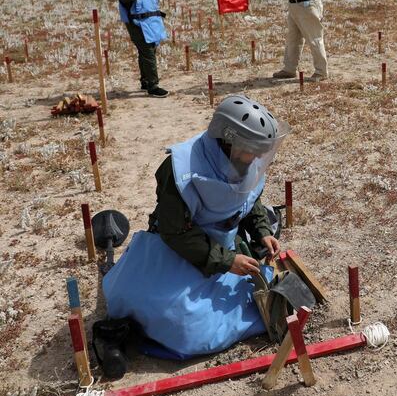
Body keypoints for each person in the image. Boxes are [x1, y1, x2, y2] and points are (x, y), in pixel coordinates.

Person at [102, 95, 293, 363]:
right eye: (254, 149)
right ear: (229, 142)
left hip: (224, 248)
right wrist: (227, 261)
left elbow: (249, 201)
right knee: (181, 325)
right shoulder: (181, 170)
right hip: (177, 249)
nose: (259, 156)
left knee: (242, 299)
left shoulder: (244, 160)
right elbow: (175, 232)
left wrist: (262, 230)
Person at [115, 0, 169, 97]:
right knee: (148, 53)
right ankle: (153, 86)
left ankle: (145, 81)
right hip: (136, 23)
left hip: (153, 22)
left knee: (147, 52)